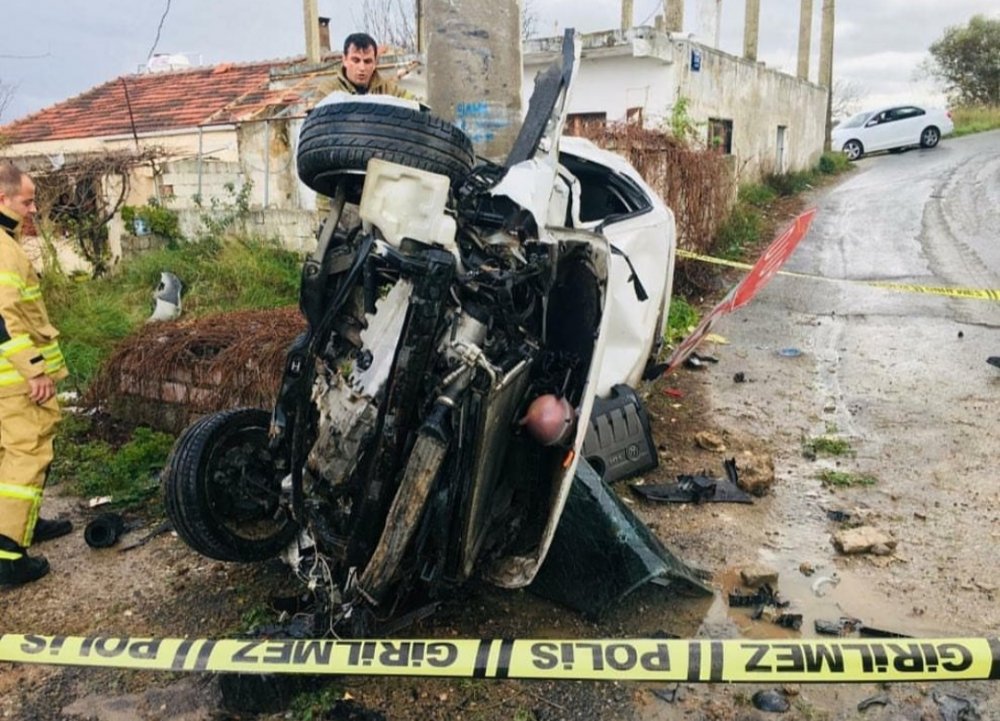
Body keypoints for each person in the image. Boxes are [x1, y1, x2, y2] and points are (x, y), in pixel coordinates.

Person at [0, 163, 72, 588]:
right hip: (14, 380)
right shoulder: (3, 250)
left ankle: (24, 523)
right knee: (26, 456)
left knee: (11, 456)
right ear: (3, 199)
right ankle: (9, 557)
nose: (33, 210)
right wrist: (34, 371)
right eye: (26, 201)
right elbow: (3, 319)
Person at [318, 32, 414, 99]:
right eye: (356, 60)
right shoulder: (328, 91)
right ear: (344, 60)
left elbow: (416, 105)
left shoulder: (388, 90)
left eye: (367, 61)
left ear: (375, 63)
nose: (362, 68)